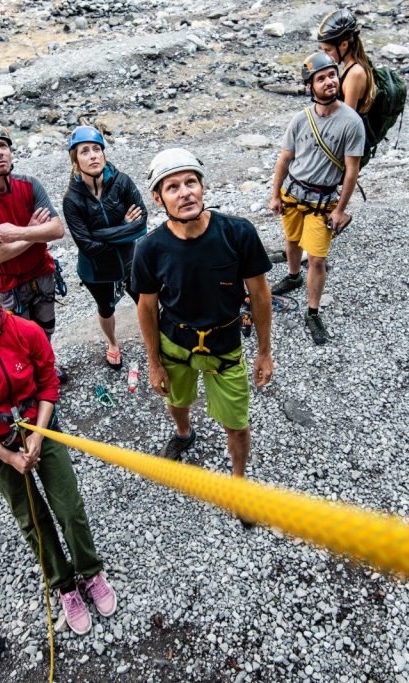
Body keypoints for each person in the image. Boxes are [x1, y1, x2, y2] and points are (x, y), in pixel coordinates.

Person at [0, 258, 116, 636]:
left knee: (69, 507)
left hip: (42, 429)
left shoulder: (25, 330)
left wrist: (37, 434)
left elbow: (48, 381)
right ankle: (64, 585)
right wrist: (9, 456)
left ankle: (90, 571)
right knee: (33, 519)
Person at [132, 148, 273, 495]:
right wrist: (153, 362)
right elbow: (146, 308)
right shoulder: (149, 249)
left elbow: (260, 295)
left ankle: (238, 482)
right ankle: (184, 434)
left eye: (190, 182)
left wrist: (264, 352)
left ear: (203, 186)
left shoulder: (237, 233)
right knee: (177, 399)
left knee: (237, 424)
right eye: (173, 187)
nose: (185, 193)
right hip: (175, 342)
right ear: (158, 197)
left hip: (224, 344)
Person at [269, 53, 366, 345]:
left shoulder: (351, 122)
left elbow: (351, 172)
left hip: (323, 203)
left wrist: (340, 210)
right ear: (310, 86)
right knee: (291, 241)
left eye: (332, 75)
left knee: (319, 259)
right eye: (321, 78)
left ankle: (312, 312)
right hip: (293, 195)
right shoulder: (301, 119)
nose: (329, 82)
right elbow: (285, 158)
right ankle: (293, 275)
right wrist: (275, 193)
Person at [0, 119, 65, 341]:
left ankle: (46, 366)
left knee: (47, 327)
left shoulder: (29, 184)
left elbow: (56, 229)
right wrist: (35, 231)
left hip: (41, 272)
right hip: (8, 284)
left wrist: (18, 233)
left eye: (3, 146)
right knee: (18, 336)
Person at [62, 125, 148, 369]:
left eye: (97, 149)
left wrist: (102, 234)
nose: (93, 155)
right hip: (96, 270)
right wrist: (123, 227)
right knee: (106, 308)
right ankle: (112, 342)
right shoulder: (72, 199)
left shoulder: (122, 182)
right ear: (76, 161)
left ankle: (154, 340)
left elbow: (141, 224)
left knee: (145, 302)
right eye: (85, 151)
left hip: (131, 262)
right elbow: (87, 246)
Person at [317, 8, 375, 115]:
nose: (326, 55)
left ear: (344, 45)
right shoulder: (350, 65)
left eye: (328, 50)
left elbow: (348, 120)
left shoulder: (355, 74)